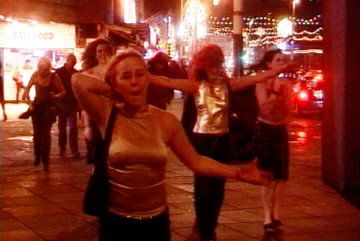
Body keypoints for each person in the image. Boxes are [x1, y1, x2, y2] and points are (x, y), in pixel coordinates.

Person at [71, 49, 270, 241]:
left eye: (140, 75)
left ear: (148, 78)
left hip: (155, 223)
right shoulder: (108, 114)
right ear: (115, 83)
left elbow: (197, 162)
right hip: (116, 222)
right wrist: (116, 90)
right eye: (126, 77)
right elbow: (78, 81)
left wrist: (237, 172)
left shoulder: (166, 121)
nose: (134, 82)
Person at [150, 44, 292, 241]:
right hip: (202, 142)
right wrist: (145, 76)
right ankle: (203, 227)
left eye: (220, 65)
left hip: (222, 141)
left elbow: (253, 78)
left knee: (217, 189)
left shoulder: (228, 85)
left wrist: (277, 70)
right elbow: (169, 82)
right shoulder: (196, 86)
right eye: (213, 66)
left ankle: (209, 229)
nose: (218, 70)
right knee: (202, 187)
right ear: (204, 66)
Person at [254, 49, 293, 234]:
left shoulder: (285, 83)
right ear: (268, 64)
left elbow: (290, 108)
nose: (281, 63)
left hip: (280, 129)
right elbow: (264, 107)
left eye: (283, 60)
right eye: (277, 60)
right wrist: (275, 92)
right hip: (265, 129)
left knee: (281, 175)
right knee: (266, 174)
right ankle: (267, 216)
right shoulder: (261, 82)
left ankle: (277, 214)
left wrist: (285, 94)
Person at [23, 56, 65, 171]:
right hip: (37, 107)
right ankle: (37, 156)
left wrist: (55, 96)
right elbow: (27, 88)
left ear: (49, 68)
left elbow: (63, 91)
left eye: (45, 69)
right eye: (41, 68)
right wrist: (27, 98)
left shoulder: (53, 77)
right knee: (37, 134)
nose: (42, 71)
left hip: (48, 108)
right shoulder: (35, 75)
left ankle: (45, 161)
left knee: (46, 135)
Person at [81, 38, 113, 164]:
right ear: (95, 55)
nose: (103, 54)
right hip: (96, 118)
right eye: (100, 51)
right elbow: (85, 103)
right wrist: (87, 126)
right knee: (99, 158)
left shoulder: (115, 73)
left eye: (105, 51)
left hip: (114, 117)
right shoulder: (89, 73)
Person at [55, 53, 80, 157]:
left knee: (73, 127)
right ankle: (62, 148)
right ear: (67, 61)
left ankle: (74, 149)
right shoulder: (59, 72)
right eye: (71, 63)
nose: (73, 65)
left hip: (72, 103)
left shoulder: (76, 73)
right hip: (62, 103)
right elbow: (55, 86)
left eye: (74, 63)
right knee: (62, 127)